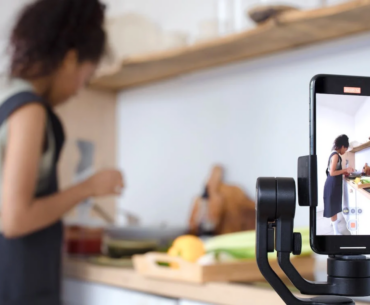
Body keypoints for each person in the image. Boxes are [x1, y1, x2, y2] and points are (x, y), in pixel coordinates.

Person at [0, 1, 124, 304]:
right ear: (70, 59)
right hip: (17, 283)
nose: (79, 89)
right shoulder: (29, 110)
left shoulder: (7, 96)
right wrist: (89, 187)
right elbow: (14, 219)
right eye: (87, 75)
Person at [323, 134, 354, 235]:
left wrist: (344, 171)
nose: (345, 151)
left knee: (334, 204)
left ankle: (334, 222)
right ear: (342, 146)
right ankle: (336, 230)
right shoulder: (336, 155)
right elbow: (332, 172)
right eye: (345, 148)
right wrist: (345, 169)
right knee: (333, 206)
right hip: (332, 185)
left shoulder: (335, 154)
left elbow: (335, 170)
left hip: (333, 184)